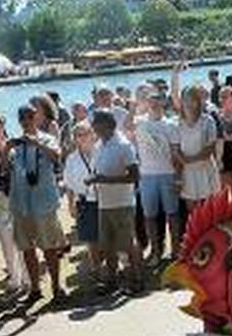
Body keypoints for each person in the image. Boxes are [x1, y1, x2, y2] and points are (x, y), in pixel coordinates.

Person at [8, 104, 67, 304]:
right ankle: (35, 288)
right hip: (21, 203)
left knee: (49, 247)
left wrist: (36, 144)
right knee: (27, 249)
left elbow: (57, 158)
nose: (26, 122)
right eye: (22, 119)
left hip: (44, 203)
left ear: (36, 119)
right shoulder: (16, 144)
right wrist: (5, 149)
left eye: (29, 118)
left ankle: (57, 286)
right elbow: (3, 168)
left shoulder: (48, 138)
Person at [88, 110, 143, 292]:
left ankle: (136, 279)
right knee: (108, 245)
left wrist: (105, 180)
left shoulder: (124, 145)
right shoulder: (99, 145)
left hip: (123, 203)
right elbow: (100, 171)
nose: (93, 126)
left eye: (97, 123)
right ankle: (112, 281)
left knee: (127, 243)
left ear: (108, 125)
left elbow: (134, 176)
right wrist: (95, 179)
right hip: (104, 203)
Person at [133, 88, 181, 265]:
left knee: (173, 215)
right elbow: (126, 126)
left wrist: (178, 177)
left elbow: (176, 153)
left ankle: (176, 250)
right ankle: (155, 251)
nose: (153, 102)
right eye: (150, 99)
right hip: (147, 176)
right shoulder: (140, 122)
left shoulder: (171, 124)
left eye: (157, 99)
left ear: (163, 102)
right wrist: (135, 105)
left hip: (168, 174)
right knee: (149, 216)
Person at [0, 112, 28, 293]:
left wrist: (3, 144)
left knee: (22, 239)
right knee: (5, 240)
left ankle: (26, 277)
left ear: (3, 125)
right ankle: (14, 276)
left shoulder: (14, 143)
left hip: (16, 195)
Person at [171, 65, 220, 210]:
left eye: (193, 99)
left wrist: (189, 160)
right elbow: (176, 149)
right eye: (186, 99)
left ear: (198, 101)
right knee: (192, 210)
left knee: (210, 208)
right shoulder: (178, 123)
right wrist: (175, 75)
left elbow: (209, 149)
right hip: (187, 172)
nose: (189, 103)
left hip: (205, 169)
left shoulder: (207, 121)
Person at [63, 122, 100, 275]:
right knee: (91, 238)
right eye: (79, 135)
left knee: (109, 235)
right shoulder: (72, 159)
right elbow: (69, 184)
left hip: (106, 199)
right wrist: (71, 204)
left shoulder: (102, 151)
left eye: (86, 133)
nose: (83, 137)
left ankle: (113, 268)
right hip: (85, 201)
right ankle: (96, 267)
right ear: (75, 139)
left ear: (93, 134)